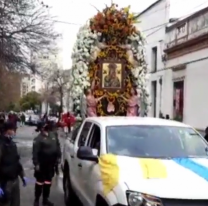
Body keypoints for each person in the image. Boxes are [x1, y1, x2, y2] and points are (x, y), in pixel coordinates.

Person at [33, 121, 61, 206]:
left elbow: (57, 146)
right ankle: (37, 200)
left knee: (48, 182)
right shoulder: (38, 139)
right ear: (41, 129)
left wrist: (59, 157)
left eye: (46, 127)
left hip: (51, 164)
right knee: (39, 183)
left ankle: (45, 199)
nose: (45, 128)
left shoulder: (53, 135)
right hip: (42, 164)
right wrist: (36, 164)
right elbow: (35, 153)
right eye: (44, 127)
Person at [0, 122, 27, 206]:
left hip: (14, 180)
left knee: (15, 203)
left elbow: (16, 161)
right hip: (4, 182)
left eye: (15, 130)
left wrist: (23, 175)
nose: (14, 132)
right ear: (6, 131)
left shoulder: (12, 144)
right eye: (12, 130)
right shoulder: (1, 145)